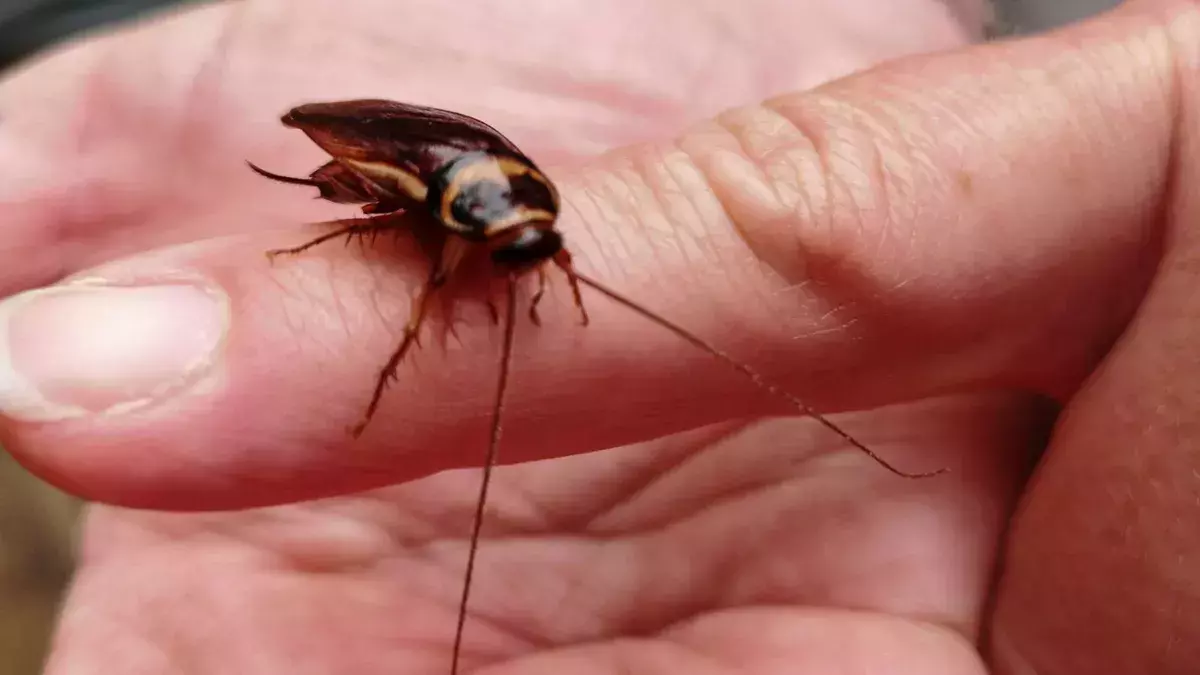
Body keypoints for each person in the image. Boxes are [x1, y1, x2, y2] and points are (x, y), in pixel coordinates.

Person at [0, 0, 1195, 672]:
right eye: (526, 254)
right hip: (412, 158)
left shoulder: (517, 214)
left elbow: (516, 220)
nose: (528, 275)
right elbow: (419, 205)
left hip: (460, 165)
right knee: (377, 253)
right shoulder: (437, 207)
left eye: (540, 254)